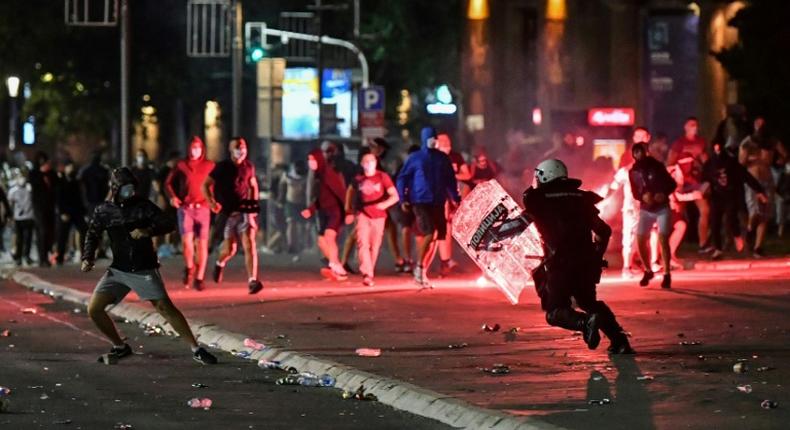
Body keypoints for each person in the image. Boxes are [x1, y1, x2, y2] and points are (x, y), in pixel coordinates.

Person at [81, 167, 217, 365]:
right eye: (125, 188)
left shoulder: (143, 206)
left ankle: (196, 349)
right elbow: (92, 234)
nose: (130, 192)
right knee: (94, 309)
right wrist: (88, 257)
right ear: (116, 188)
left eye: (132, 188)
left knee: (164, 307)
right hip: (118, 269)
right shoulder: (104, 210)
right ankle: (120, 346)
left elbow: (168, 223)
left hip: (143, 268)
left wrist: (147, 230)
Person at [523, 159, 633, 354]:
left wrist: (493, 235)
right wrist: (595, 256)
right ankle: (620, 341)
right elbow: (604, 231)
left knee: (555, 312)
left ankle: (584, 323)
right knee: (589, 302)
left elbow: (516, 225)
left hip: (559, 264)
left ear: (545, 176)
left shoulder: (538, 199)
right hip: (585, 263)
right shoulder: (581, 198)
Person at [396, 127, 460, 287]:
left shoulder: (442, 158)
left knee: (436, 238)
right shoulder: (415, 158)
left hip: (438, 201)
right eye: (430, 138)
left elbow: (450, 180)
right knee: (429, 233)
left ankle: (422, 270)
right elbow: (402, 178)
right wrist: (403, 198)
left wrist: (455, 197)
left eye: (434, 138)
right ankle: (418, 267)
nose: (433, 141)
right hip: (420, 201)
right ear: (425, 139)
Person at [204, 137, 264, 294]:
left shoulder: (248, 166)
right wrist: (211, 202)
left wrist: (253, 206)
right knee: (230, 249)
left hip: (244, 210)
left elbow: (252, 185)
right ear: (230, 149)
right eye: (237, 147)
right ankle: (220, 262)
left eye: (243, 146)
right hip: (228, 212)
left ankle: (252, 280)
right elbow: (206, 184)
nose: (241, 150)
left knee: (249, 244)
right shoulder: (222, 167)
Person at [165, 137, 215, 291]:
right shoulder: (181, 165)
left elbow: (218, 184)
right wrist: (173, 197)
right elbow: (168, 183)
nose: (195, 151)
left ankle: (199, 277)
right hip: (186, 208)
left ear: (202, 149)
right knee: (187, 242)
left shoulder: (210, 166)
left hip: (204, 208)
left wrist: (215, 201)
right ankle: (189, 267)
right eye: (193, 148)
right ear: (189, 149)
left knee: (202, 243)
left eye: (198, 148)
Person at [704, 141, 767, 260]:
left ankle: (737, 235)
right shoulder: (709, 164)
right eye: (715, 149)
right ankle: (718, 249)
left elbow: (747, 177)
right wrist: (703, 189)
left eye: (719, 149)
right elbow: (704, 178)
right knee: (715, 222)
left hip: (730, 195)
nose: (717, 151)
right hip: (716, 196)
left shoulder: (731, 163)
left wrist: (759, 191)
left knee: (731, 217)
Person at [344, 153, 400, 286]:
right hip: (362, 214)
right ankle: (367, 273)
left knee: (375, 245)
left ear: (375, 162)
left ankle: (370, 270)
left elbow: (395, 195)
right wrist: (349, 209)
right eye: (366, 161)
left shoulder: (382, 177)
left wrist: (384, 205)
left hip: (379, 216)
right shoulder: (358, 179)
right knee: (363, 242)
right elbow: (350, 191)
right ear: (362, 164)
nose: (369, 164)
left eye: (371, 161)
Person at [629, 143, 677, 289]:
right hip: (646, 209)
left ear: (646, 152)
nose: (638, 154)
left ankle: (667, 274)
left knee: (663, 238)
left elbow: (671, 184)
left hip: (662, 207)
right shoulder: (633, 171)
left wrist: (662, 194)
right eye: (635, 152)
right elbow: (635, 192)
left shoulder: (657, 166)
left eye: (640, 151)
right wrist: (643, 197)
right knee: (640, 239)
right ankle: (648, 270)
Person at [302, 144, 348, 281]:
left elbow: (341, 193)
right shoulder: (317, 175)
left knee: (329, 237)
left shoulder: (329, 174)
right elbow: (319, 199)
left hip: (335, 212)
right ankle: (335, 265)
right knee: (321, 241)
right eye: (309, 160)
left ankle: (336, 266)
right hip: (323, 213)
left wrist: (348, 212)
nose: (311, 163)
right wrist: (310, 210)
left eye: (313, 160)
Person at [606, 127, 647, 277]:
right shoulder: (626, 170)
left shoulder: (650, 169)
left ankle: (640, 264)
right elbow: (614, 185)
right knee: (629, 238)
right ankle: (626, 268)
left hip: (647, 208)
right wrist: (604, 200)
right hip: (631, 209)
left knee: (642, 237)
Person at [666, 117, 711, 252]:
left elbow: (705, 161)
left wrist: (705, 169)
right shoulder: (679, 143)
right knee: (677, 214)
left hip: (695, 182)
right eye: (691, 125)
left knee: (705, 211)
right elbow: (670, 162)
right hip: (681, 183)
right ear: (685, 127)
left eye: (696, 125)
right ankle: (669, 246)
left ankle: (703, 243)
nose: (694, 127)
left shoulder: (701, 142)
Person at [739, 116, 777, 257]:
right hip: (753, 180)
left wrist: (779, 158)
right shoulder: (747, 142)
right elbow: (741, 161)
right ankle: (749, 230)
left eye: (762, 123)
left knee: (765, 214)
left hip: (767, 180)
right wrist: (752, 158)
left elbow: (778, 155)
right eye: (757, 123)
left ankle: (758, 247)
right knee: (754, 211)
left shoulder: (770, 142)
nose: (760, 126)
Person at [435, 133, 470, 277]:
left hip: (455, 196)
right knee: (443, 229)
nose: (445, 142)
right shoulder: (434, 157)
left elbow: (467, 175)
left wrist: (453, 176)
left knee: (454, 229)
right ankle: (444, 261)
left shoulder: (456, 156)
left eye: (447, 140)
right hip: (440, 196)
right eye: (441, 140)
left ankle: (449, 259)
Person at [55, 160, 88, 265]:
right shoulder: (60, 181)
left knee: (84, 231)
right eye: (69, 167)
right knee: (62, 236)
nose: (71, 169)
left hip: (77, 211)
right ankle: (60, 257)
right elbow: (59, 199)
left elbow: (79, 197)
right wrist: (62, 212)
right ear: (65, 168)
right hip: (66, 212)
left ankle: (84, 255)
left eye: (72, 167)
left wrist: (83, 210)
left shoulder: (76, 181)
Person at [29, 151, 57, 267]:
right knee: (42, 231)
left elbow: (56, 186)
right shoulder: (34, 173)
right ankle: (42, 258)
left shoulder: (52, 173)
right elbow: (34, 185)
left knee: (50, 232)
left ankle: (48, 254)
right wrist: (42, 174)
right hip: (39, 207)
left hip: (50, 206)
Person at [279, 159, 309, 258]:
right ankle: (291, 246)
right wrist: (281, 198)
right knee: (291, 223)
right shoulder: (287, 175)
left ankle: (303, 245)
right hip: (290, 203)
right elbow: (282, 186)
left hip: (302, 203)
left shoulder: (307, 176)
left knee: (303, 225)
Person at [7, 169, 35, 266]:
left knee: (28, 238)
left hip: (29, 216)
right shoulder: (13, 191)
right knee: (19, 238)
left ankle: (26, 256)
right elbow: (10, 204)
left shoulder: (29, 188)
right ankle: (18, 257)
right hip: (18, 217)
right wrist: (10, 216)